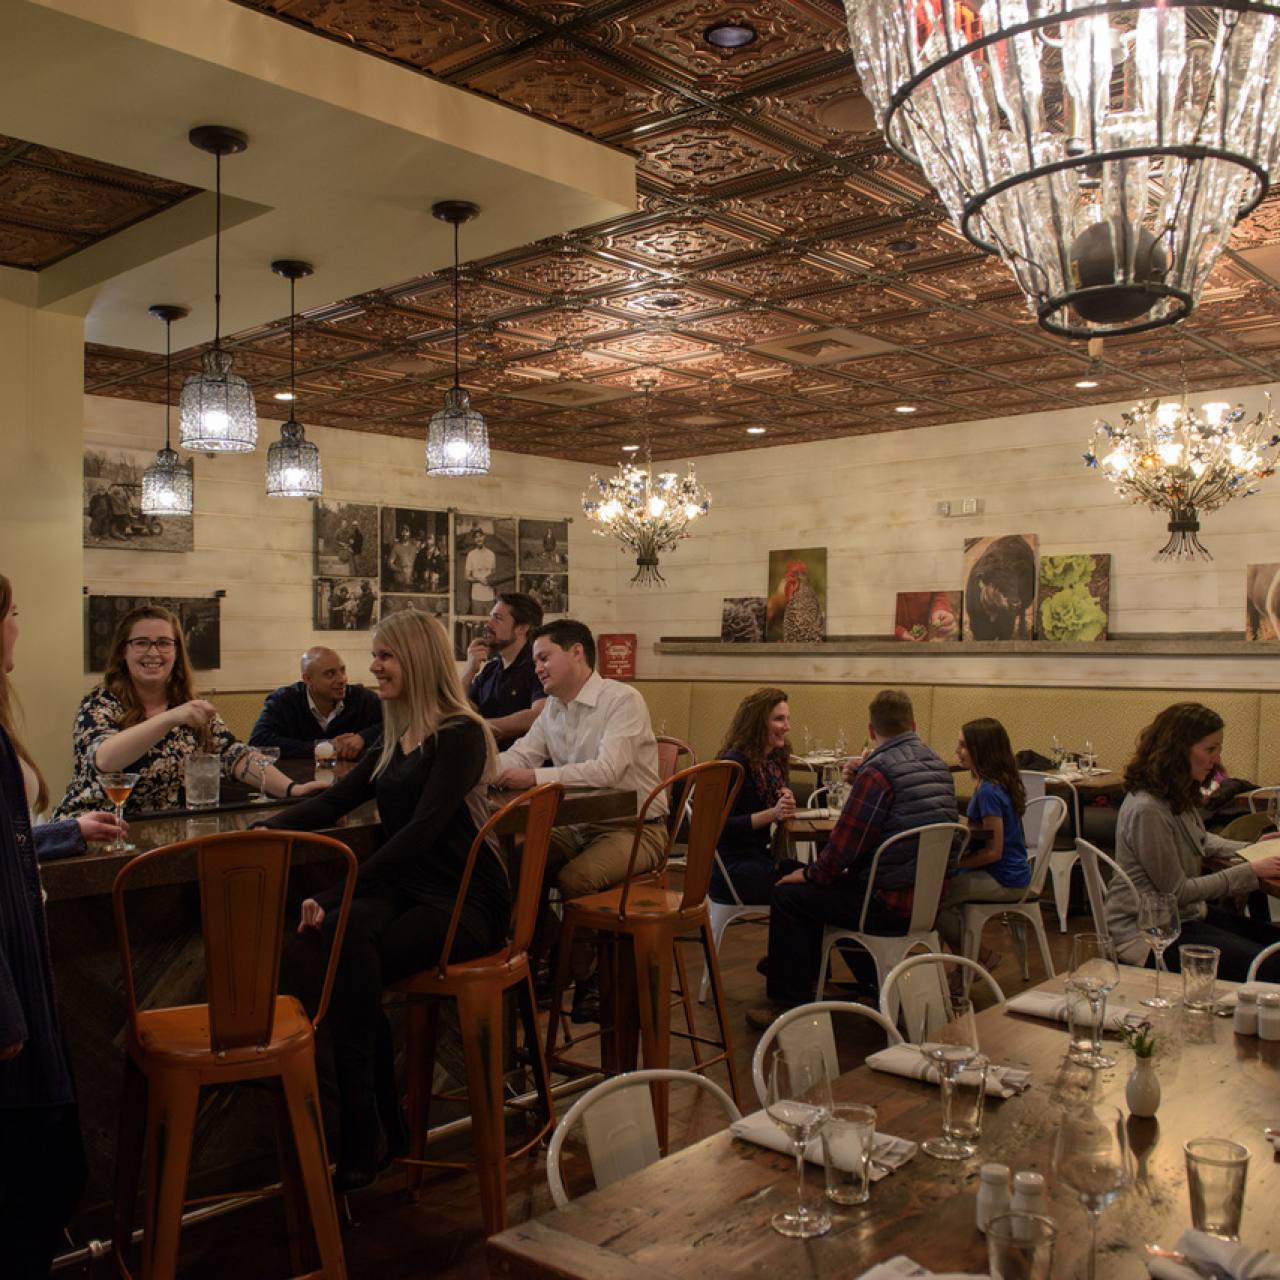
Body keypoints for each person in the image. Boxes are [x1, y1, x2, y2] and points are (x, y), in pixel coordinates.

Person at [262, 610, 508, 1192]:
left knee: (345, 945)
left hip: (465, 901)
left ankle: (366, 1130)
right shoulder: (393, 734)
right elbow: (334, 802)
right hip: (405, 889)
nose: (372, 669)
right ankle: (374, 1127)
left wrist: (337, 889)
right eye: (375, 657)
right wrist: (264, 833)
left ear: (418, 660)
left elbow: (421, 831)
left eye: (384, 657)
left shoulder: (461, 733)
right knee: (343, 942)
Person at [0, 573, 124, 1277]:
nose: (19, 626)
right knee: (39, 1172)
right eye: (13, 614)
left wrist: (63, 832)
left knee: (45, 1168)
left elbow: (5, 838)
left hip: (21, 965)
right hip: (10, 975)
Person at [750, 689, 958, 1026]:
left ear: (872, 730)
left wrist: (810, 874)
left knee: (790, 893)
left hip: (885, 904)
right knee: (831, 884)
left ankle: (789, 1006)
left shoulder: (878, 772)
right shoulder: (938, 765)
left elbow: (845, 847)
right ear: (914, 725)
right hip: (928, 901)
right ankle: (866, 983)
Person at [495, 619, 665, 1021]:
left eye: (543, 657)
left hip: (638, 828)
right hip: (576, 826)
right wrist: (480, 769)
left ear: (576, 653)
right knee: (509, 865)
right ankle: (550, 947)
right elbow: (520, 755)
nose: (537, 667)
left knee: (576, 878)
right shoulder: (554, 708)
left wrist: (534, 777)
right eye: (535, 660)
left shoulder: (621, 699)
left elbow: (607, 770)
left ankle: (587, 977)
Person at [53, 605, 327, 818]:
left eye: (163, 642)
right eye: (141, 643)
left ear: (176, 651)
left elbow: (236, 756)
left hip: (163, 831)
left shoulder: (186, 704)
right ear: (123, 652)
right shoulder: (99, 704)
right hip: (96, 833)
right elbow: (105, 759)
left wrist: (294, 790)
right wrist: (171, 717)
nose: (153, 652)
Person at [1107, 702, 1280, 982]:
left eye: (1218, 749)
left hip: (1183, 917)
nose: (1216, 759)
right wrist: (1250, 871)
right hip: (1149, 933)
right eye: (1209, 750)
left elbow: (1201, 839)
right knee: (1271, 965)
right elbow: (1177, 891)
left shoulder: (1172, 793)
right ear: (1178, 750)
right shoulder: (1148, 808)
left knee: (1275, 944)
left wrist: (1254, 849)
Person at [935, 717, 1030, 960]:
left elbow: (993, 851)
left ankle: (981, 958)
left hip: (1005, 878)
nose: (957, 751)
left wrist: (954, 865)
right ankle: (966, 963)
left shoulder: (988, 792)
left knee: (932, 898)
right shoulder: (995, 784)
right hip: (1009, 872)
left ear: (982, 750)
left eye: (963, 745)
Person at [708, 687, 802, 905]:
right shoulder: (735, 764)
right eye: (779, 719)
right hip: (731, 870)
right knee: (809, 891)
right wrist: (774, 813)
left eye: (787, 719)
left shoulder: (771, 762)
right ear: (758, 723)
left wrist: (784, 798)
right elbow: (716, 828)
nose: (787, 727)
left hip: (759, 858)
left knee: (819, 877)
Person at [249, 646, 383, 760]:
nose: (342, 679)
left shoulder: (363, 698)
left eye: (342, 670)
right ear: (308, 679)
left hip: (351, 783)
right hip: (297, 783)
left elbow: (394, 726)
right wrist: (324, 748)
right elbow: (258, 742)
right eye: (330, 674)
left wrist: (364, 737)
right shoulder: (284, 700)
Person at [459, 592, 547, 750]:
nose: (489, 624)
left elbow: (538, 715)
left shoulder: (539, 666)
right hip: (487, 762)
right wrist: (468, 671)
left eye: (497, 618)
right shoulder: (490, 669)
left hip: (523, 768)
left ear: (521, 628)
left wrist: (482, 727)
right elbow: (464, 708)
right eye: (491, 616)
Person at [464, 527, 496, 614]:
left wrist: (491, 582)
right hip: (476, 597)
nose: (478, 539)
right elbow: (467, 576)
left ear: (484, 537)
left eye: (480, 536)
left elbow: (494, 575)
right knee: (477, 625)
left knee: (489, 625)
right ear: (474, 539)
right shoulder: (471, 555)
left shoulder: (491, 554)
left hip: (490, 597)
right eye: (476, 537)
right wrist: (479, 580)